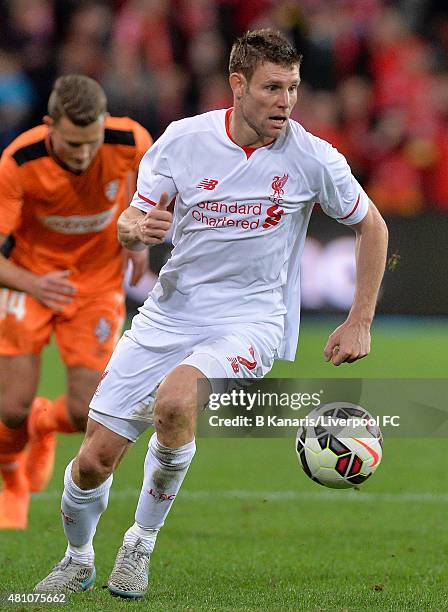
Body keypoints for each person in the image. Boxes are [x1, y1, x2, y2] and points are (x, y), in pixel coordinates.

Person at [35, 30, 388, 598]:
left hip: (251, 321)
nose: (286, 101)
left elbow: (371, 224)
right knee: (92, 464)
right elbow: (132, 223)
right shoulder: (182, 141)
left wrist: (361, 319)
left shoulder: (313, 157)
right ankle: (78, 557)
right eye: (273, 88)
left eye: (294, 88)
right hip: (168, 316)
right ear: (238, 85)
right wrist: (133, 229)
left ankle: (138, 546)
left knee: (176, 402)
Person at [0, 75, 152, 529]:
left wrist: (137, 239)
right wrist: (32, 282)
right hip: (30, 280)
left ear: (105, 124)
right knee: (11, 407)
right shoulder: (17, 162)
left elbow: (151, 194)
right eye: (71, 144)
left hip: (97, 284)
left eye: (91, 142)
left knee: (89, 408)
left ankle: (44, 426)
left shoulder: (130, 140)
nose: (83, 154)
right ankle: (11, 484)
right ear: (49, 126)